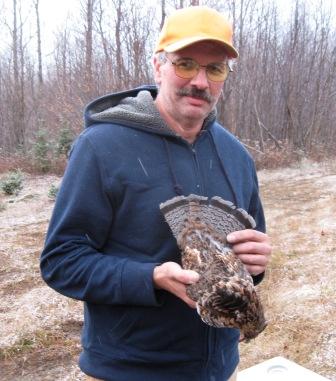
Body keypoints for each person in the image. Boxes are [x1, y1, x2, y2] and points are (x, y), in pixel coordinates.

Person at [40, 6, 271, 381]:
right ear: (158, 66)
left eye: (215, 69)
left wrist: (255, 263)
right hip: (128, 369)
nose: (199, 81)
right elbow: (62, 261)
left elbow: (249, 263)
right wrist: (150, 278)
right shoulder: (102, 147)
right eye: (185, 64)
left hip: (218, 369)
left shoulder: (237, 156)